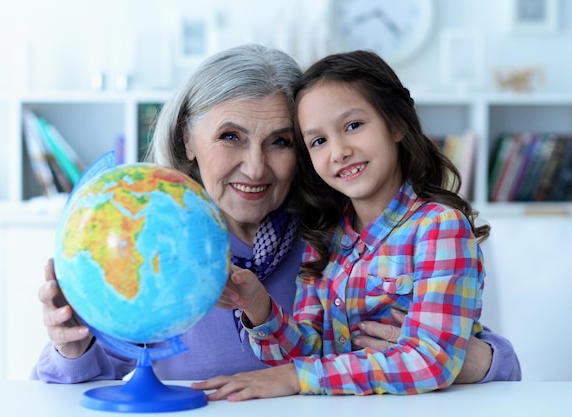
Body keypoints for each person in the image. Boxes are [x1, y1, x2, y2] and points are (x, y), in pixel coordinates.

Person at [31, 45, 520, 384]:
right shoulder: (137, 238)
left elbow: (493, 357)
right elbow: (69, 385)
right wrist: (71, 350)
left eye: (281, 141)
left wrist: (464, 360)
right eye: (230, 137)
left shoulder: (326, 239)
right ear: (187, 139)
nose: (256, 166)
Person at [192, 50, 519, 400]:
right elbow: (307, 356)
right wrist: (259, 306)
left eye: (353, 126)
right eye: (318, 141)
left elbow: (433, 360)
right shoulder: (324, 239)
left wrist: (298, 378)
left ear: (396, 124)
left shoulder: (439, 228)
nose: (339, 151)